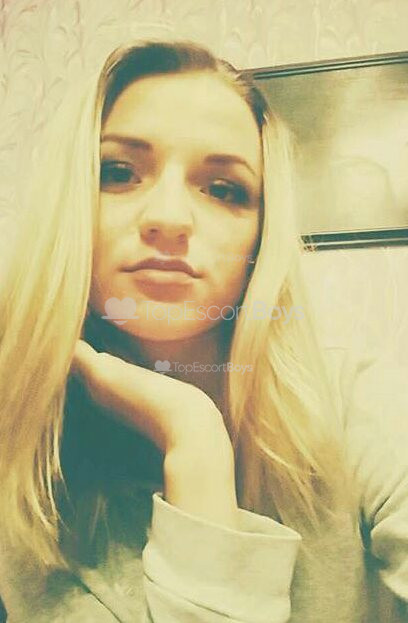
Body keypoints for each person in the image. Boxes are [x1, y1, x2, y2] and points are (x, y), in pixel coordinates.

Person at [0, 36, 407, 623]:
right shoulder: (22, 456)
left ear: (260, 238)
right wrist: (194, 444)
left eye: (223, 189)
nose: (168, 218)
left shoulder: (358, 401)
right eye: (119, 173)